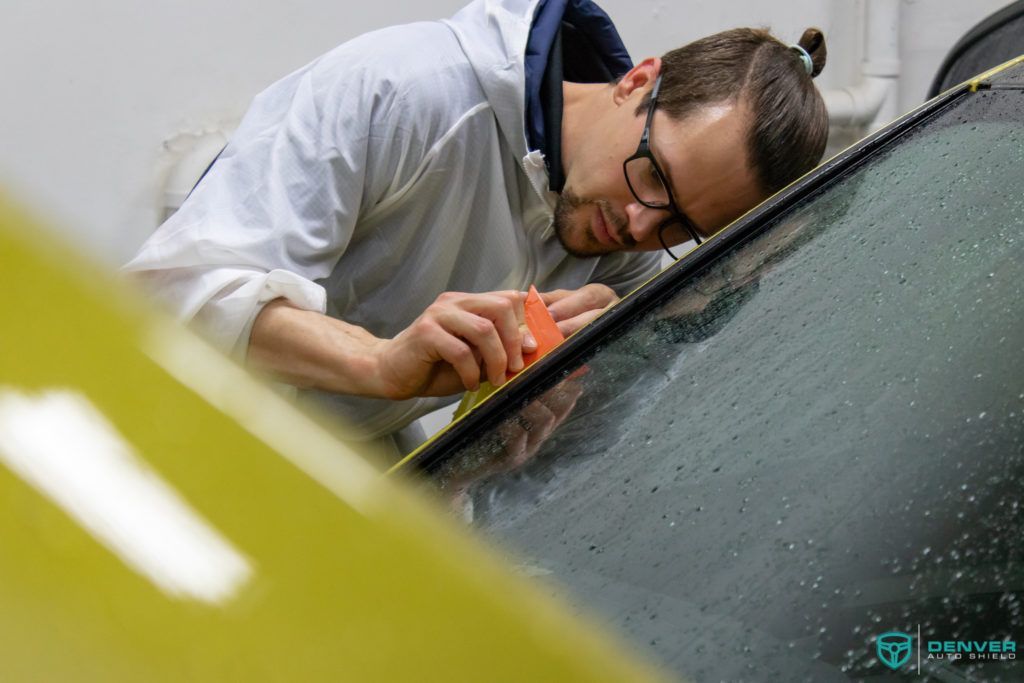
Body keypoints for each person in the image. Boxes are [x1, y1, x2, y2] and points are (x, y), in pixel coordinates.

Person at [124, 0, 829, 458]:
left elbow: (547, 481)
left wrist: (540, 405)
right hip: (171, 443)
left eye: (681, 224)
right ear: (638, 81)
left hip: (336, 472)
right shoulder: (405, 93)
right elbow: (174, 296)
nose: (639, 225)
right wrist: (377, 363)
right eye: (652, 176)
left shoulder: (622, 260)